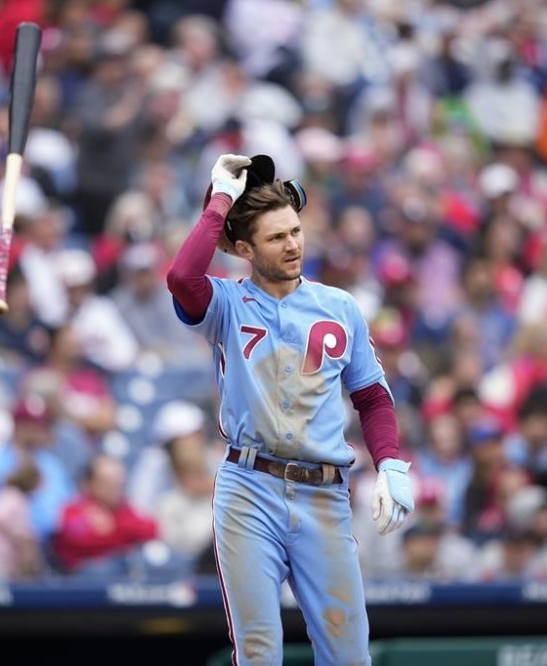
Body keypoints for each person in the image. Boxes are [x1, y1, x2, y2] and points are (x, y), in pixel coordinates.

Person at [165, 154, 415, 665]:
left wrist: (388, 460)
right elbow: (181, 277)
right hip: (249, 488)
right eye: (276, 237)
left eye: (295, 231)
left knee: (348, 654)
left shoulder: (338, 306)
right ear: (243, 249)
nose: (293, 244)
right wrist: (219, 200)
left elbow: (371, 396)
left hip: (323, 494)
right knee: (258, 651)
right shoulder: (227, 303)